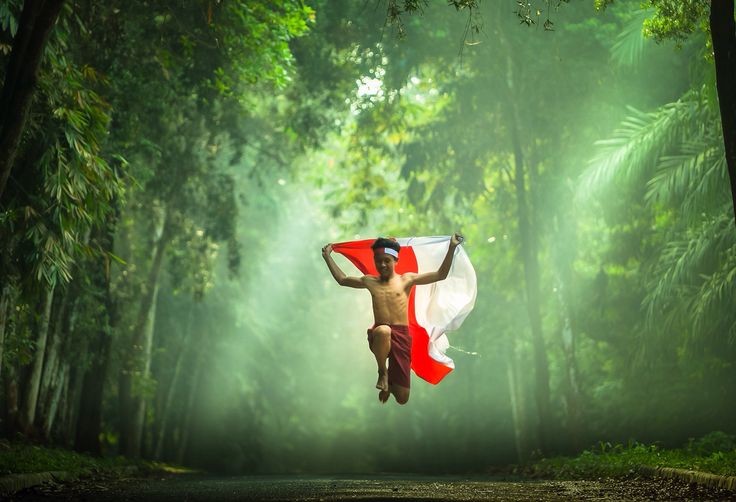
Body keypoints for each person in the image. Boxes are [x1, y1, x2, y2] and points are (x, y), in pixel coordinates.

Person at [321, 233, 464, 404]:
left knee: (402, 398)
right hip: (380, 334)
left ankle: (390, 384)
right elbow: (343, 279)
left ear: (396, 261)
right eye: (378, 260)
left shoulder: (407, 279)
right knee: (383, 330)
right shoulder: (370, 281)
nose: (382, 264)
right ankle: (382, 371)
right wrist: (327, 256)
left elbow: (440, 274)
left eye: (386, 260)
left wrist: (451, 247)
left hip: (402, 336)